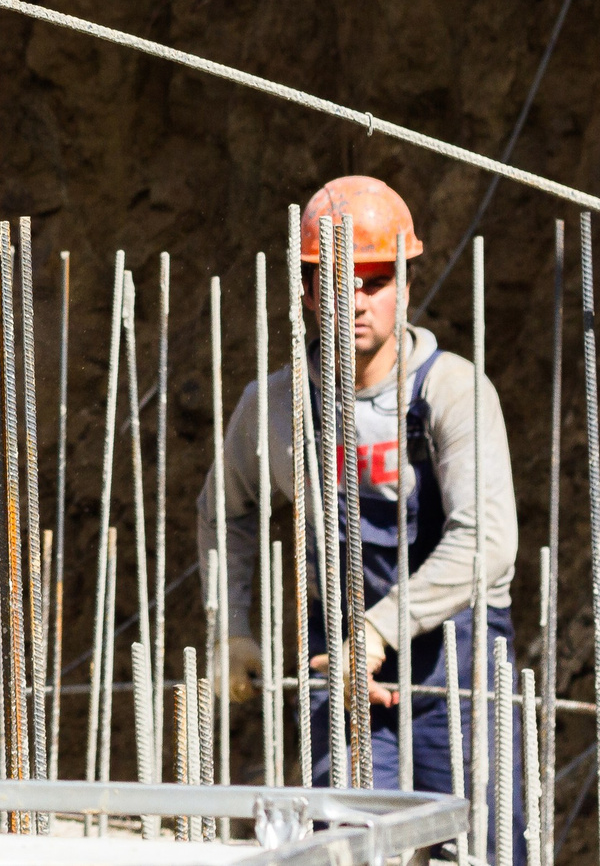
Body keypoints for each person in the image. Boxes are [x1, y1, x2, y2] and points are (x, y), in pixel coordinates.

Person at [199, 175, 520, 829]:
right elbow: (224, 513)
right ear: (309, 292)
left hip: (455, 665)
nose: (358, 300)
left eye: (376, 281)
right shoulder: (275, 407)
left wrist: (380, 629)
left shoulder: (452, 391)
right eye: (339, 280)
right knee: (346, 843)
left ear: (406, 285)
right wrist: (230, 626)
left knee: (478, 844)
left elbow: (486, 541)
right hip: (339, 664)